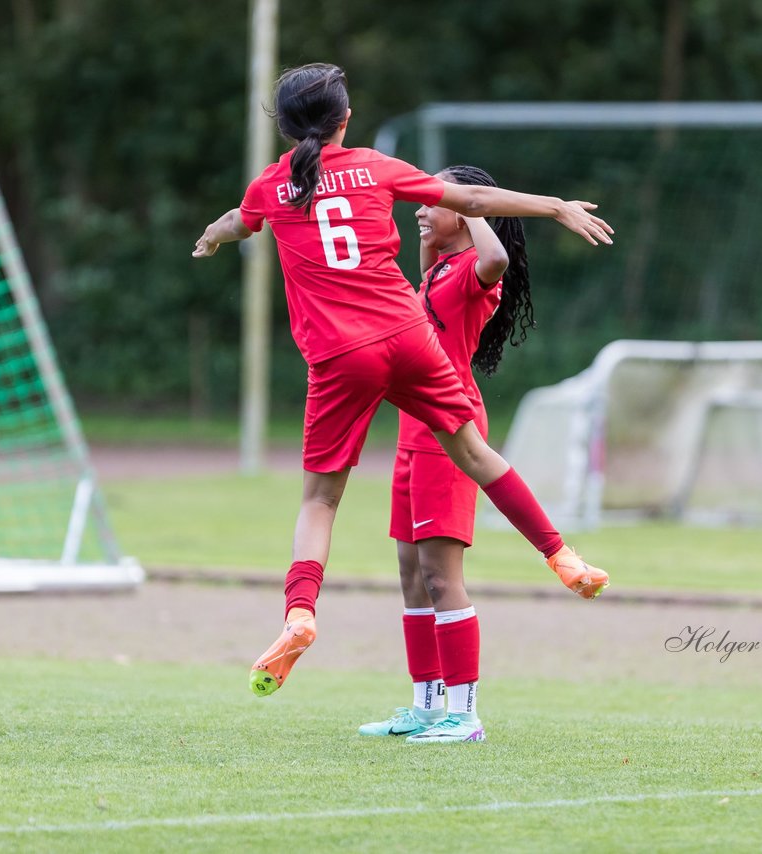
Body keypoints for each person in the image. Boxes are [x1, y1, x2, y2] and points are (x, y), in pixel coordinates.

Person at [191, 63, 612, 712]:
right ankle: (559, 555)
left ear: (282, 124)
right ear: (345, 120)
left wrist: (217, 236)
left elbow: (240, 221)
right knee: (475, 452)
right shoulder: (375, 167)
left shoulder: (271, 187)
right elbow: (471, 202)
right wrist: (553, 205)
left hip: (340, 355)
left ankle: (300, 612)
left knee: (321, 501)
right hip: (406, 333)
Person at [357, 164, 541, 744]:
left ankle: (465, 716)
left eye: (431, 199)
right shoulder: (437, 267)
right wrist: (433, 227)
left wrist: (467, 205)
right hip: (413, 432)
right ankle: (427, 706)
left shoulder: (472, 271)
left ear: (461, 210)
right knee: (412, 576)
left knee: (442, 576)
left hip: (449, 427)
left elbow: (498, 262)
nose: (418, 207)